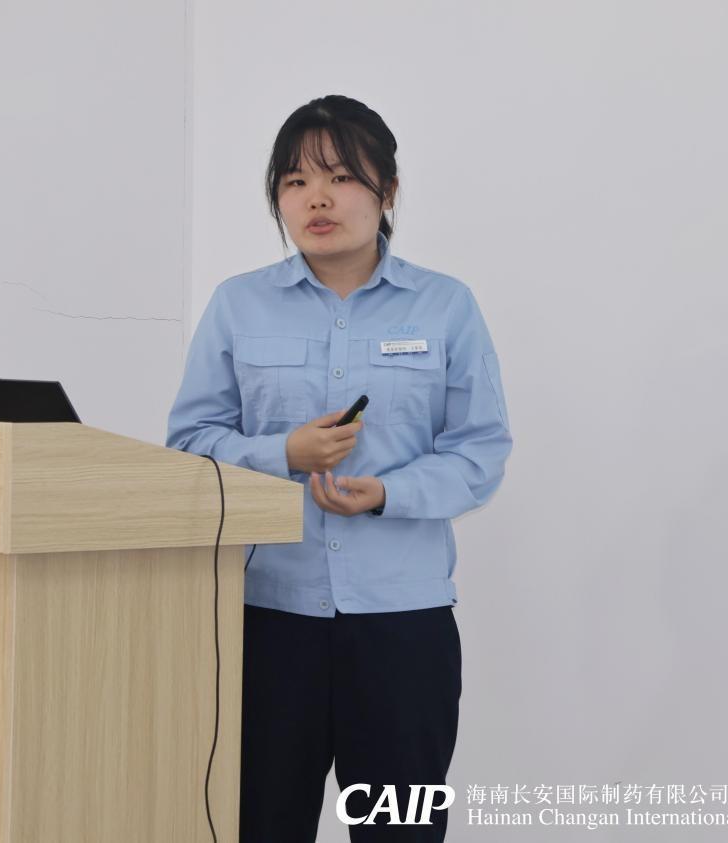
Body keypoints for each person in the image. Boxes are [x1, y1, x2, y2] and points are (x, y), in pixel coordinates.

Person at [166, 94, 512, 842]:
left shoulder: (445, 306)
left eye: (339, 176)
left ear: (387, 190)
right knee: (260, 824)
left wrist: (389, 492)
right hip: (267, 620)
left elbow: (480, 451)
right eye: (294, 181)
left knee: (399, 833)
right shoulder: (238, 305)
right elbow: (190, 443)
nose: (316, 198)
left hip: (401, 628)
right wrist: (280, 454)